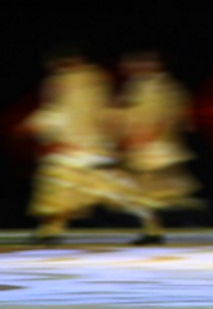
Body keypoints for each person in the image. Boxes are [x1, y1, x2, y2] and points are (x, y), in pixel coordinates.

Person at [26, 48, 160, 244]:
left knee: (61, 186)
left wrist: (39, 126)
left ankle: (49, 231)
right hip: (90, 147)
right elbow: (100, 113)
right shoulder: (96, 78)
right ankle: (49, 230)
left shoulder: (63, 81)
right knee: (66, 186)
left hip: (76, 148)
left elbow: (61, 111)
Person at [113, 52, 200, 236]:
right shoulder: (134, 86)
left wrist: (152, 134)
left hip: (155, 145)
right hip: (138, 144)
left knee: (153, 188)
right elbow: (127, 113)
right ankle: (152, 228)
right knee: (140, 190)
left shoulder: (166, 87)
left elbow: (171, 114)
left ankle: (157, 225)